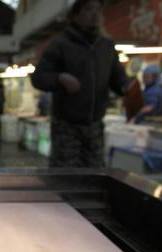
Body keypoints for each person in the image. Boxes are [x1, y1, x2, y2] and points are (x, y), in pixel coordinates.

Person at [31, 0, 128, 167]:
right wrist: (60, 78)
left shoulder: (106, 46)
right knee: (66, 177)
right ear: (75, 15)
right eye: (89, 9)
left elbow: (117, 77)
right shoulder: (60, 45)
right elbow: (39, 77)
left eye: (98, 10)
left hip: (95, 127)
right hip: (67, 128)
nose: (95, 14)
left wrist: (127, 87)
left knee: (95, 176)